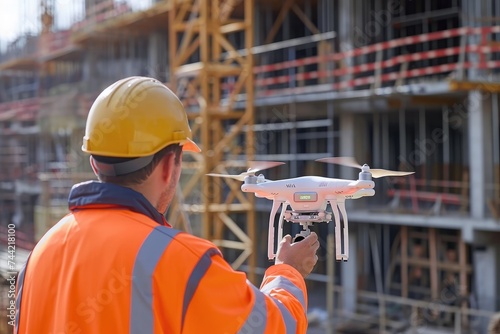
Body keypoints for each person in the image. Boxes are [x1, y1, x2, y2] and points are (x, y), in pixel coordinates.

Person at [14, 76, 319, 333]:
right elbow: (278, 326)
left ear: (94, 162)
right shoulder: (181, 261)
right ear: (169, 164)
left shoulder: (38, 258)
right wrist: (287, 270)